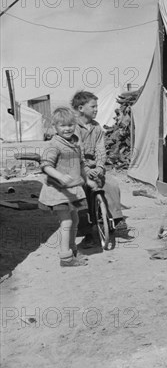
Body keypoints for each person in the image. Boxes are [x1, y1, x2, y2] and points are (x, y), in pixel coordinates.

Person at [38, 107, 96, 267]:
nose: (67, 128)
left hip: (73, 191)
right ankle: (65, 257)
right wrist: (60, 176)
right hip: (58, 191)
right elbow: (46, 166)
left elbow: (81, 163)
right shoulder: (54, 145)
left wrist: (87, 179)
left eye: (70, 124)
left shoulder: (75, 143)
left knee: (75, 219)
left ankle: (73, 250)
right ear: (54, 127)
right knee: (66, 222)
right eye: (63, 125)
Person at [71, 90, 128, 244]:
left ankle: (117, 219)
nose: (96, 109)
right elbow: (78, 151)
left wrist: (101, 167)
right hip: (78, 167)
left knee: (111, 184)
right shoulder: (73, 128)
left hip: (95, 166)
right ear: (81, 108)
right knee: (80, 193)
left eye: (97, 107)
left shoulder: (97, 128)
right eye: (93, 106)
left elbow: (100, 149)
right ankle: (86, 232)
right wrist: (87, 171)